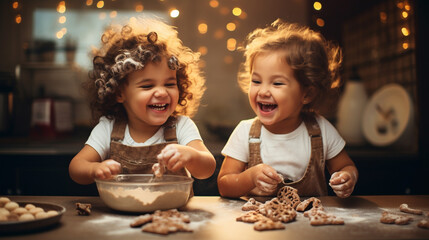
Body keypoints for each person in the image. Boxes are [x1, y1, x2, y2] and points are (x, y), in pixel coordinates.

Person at [217, 19, 358, 198]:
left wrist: (347, 177)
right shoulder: (246, 132)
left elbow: (346, 166)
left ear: (307, 94)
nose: (263, 91)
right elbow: (224, 185)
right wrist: (250, 177)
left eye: (277, 83)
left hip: (311, 224)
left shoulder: (321, 130)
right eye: (256, 81)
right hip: (257, 223)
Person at [69, 18, 216, 185]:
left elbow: (207, 169)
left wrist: (191, 156)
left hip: (172, 211)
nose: (161, 92)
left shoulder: (181, 127)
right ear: (119, 93)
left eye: (169, 84)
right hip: (120, 210)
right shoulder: (108, 129)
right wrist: (94, 170)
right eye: (147, 86)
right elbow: (76, 167)